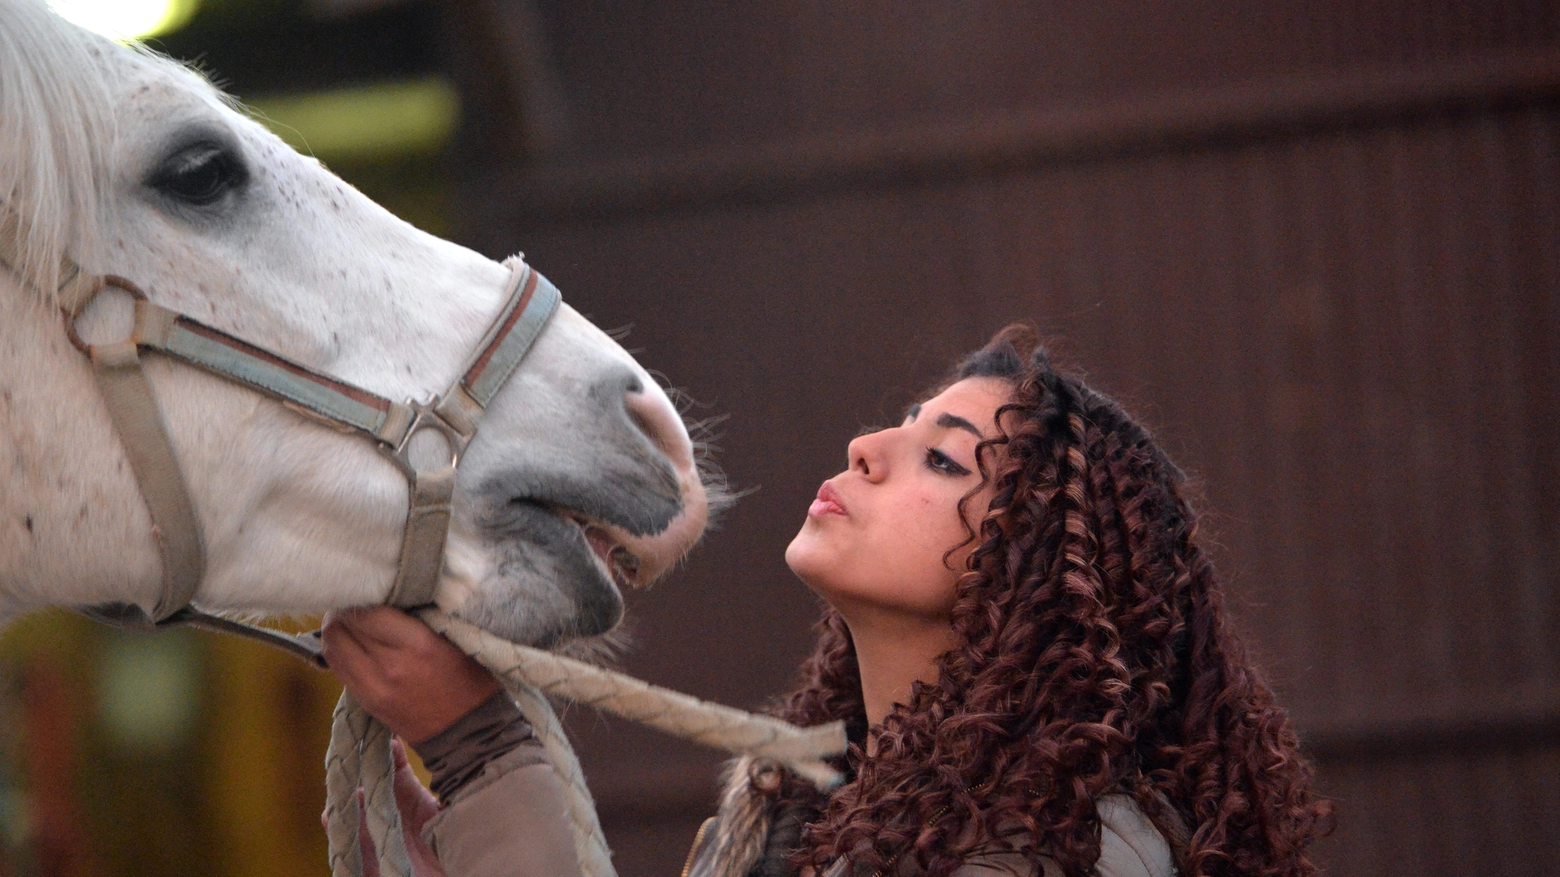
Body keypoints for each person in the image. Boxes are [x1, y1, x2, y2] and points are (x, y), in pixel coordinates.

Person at [322, 325, 1332, 877]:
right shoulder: (789, 816)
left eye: (940, 458)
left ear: (1036, 572)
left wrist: (486, 758)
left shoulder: (1077, 849)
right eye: (902, 422)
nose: (867, 448)